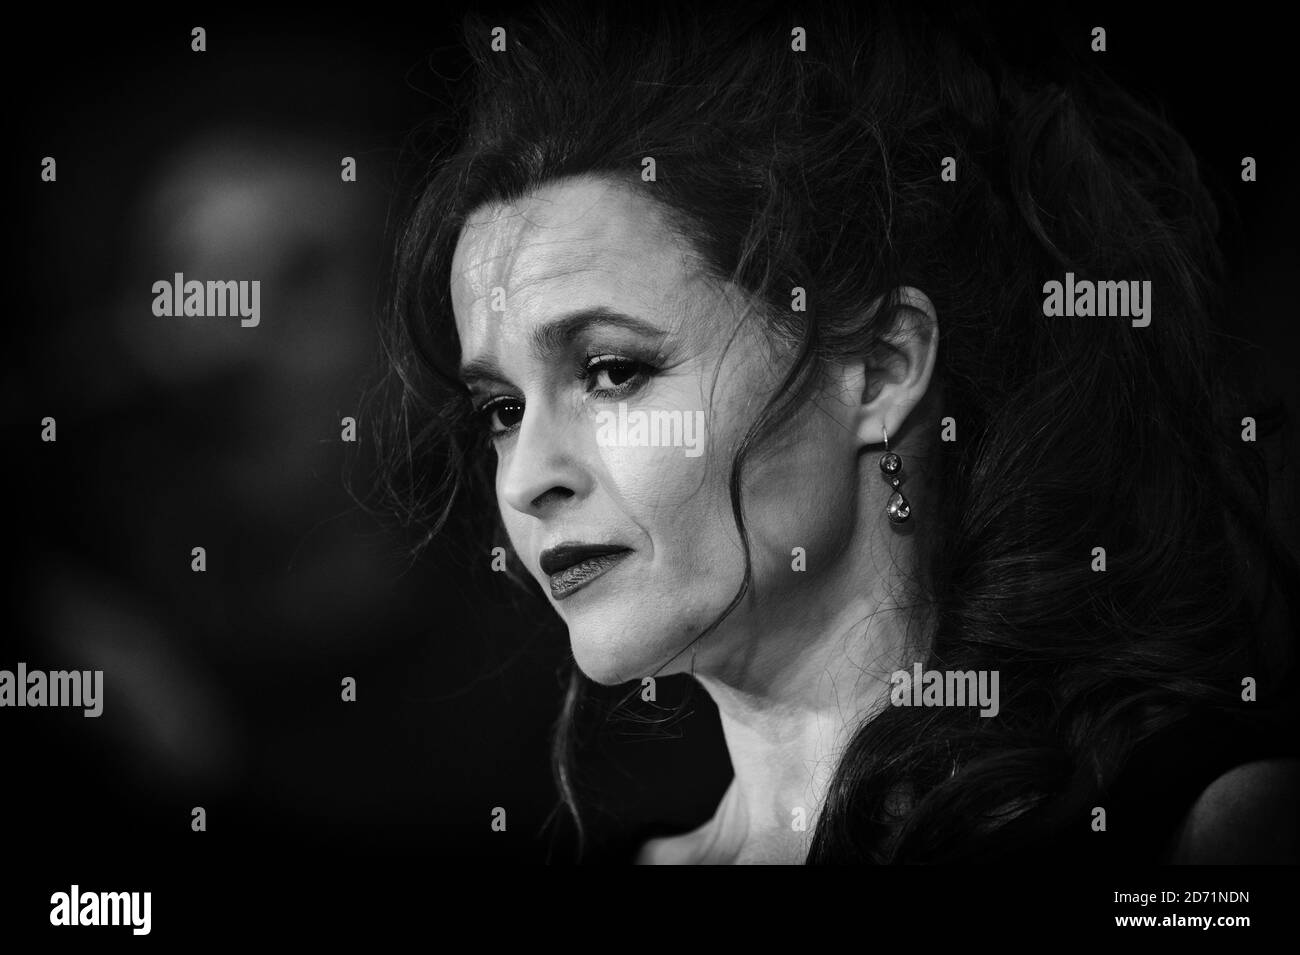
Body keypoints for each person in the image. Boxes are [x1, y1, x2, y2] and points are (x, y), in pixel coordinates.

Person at [359, 0, 1300, 863]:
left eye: (612, 373)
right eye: (502, 410)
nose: (527, 477)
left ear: (883, 369)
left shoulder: (1200, 837)